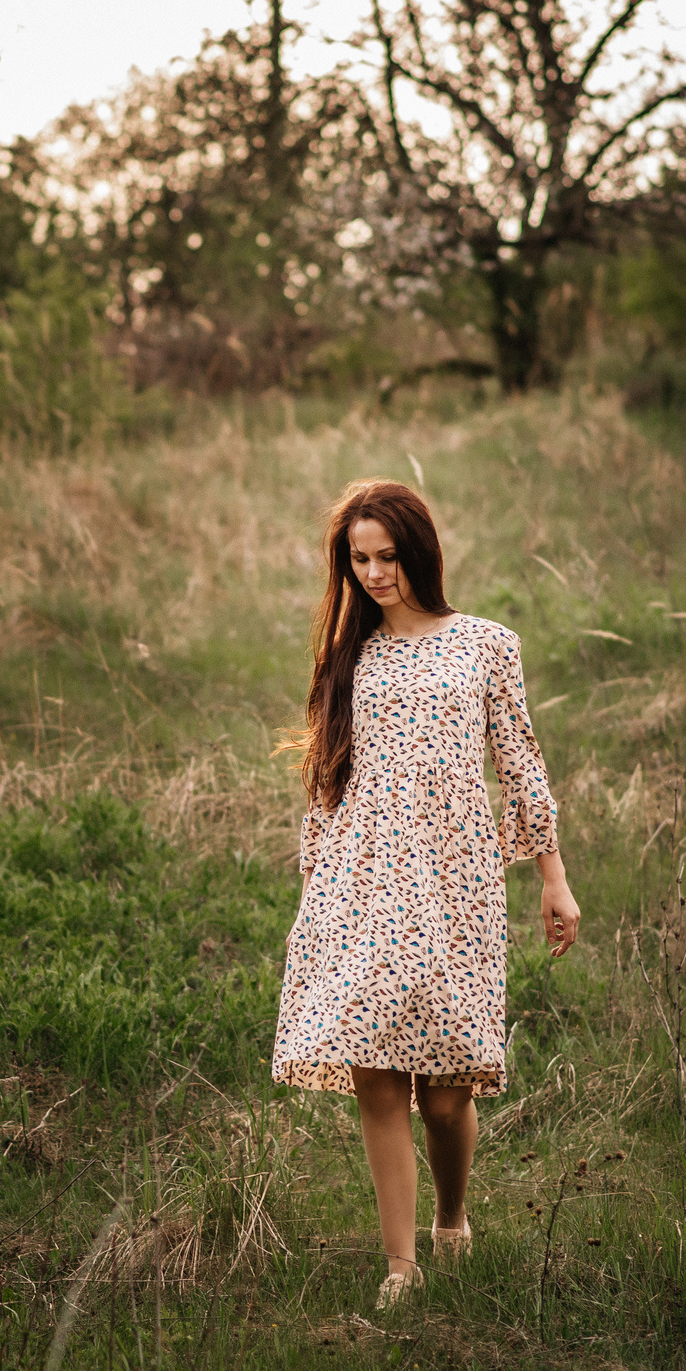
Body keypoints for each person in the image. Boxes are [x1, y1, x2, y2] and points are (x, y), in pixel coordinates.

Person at [273, 479, 581, 1309]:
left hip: (456, 878)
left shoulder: (484, 644)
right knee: (376, 1074)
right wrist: (315, 891)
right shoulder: (348, 656)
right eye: (359, 560)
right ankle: (401, 1265)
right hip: (359, 877)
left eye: (387, 555)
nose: (374, 573)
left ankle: (453, 1219)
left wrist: (553, 877)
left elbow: (519, 759)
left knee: (445, 1092)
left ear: (420, 548)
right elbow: (325, 782)